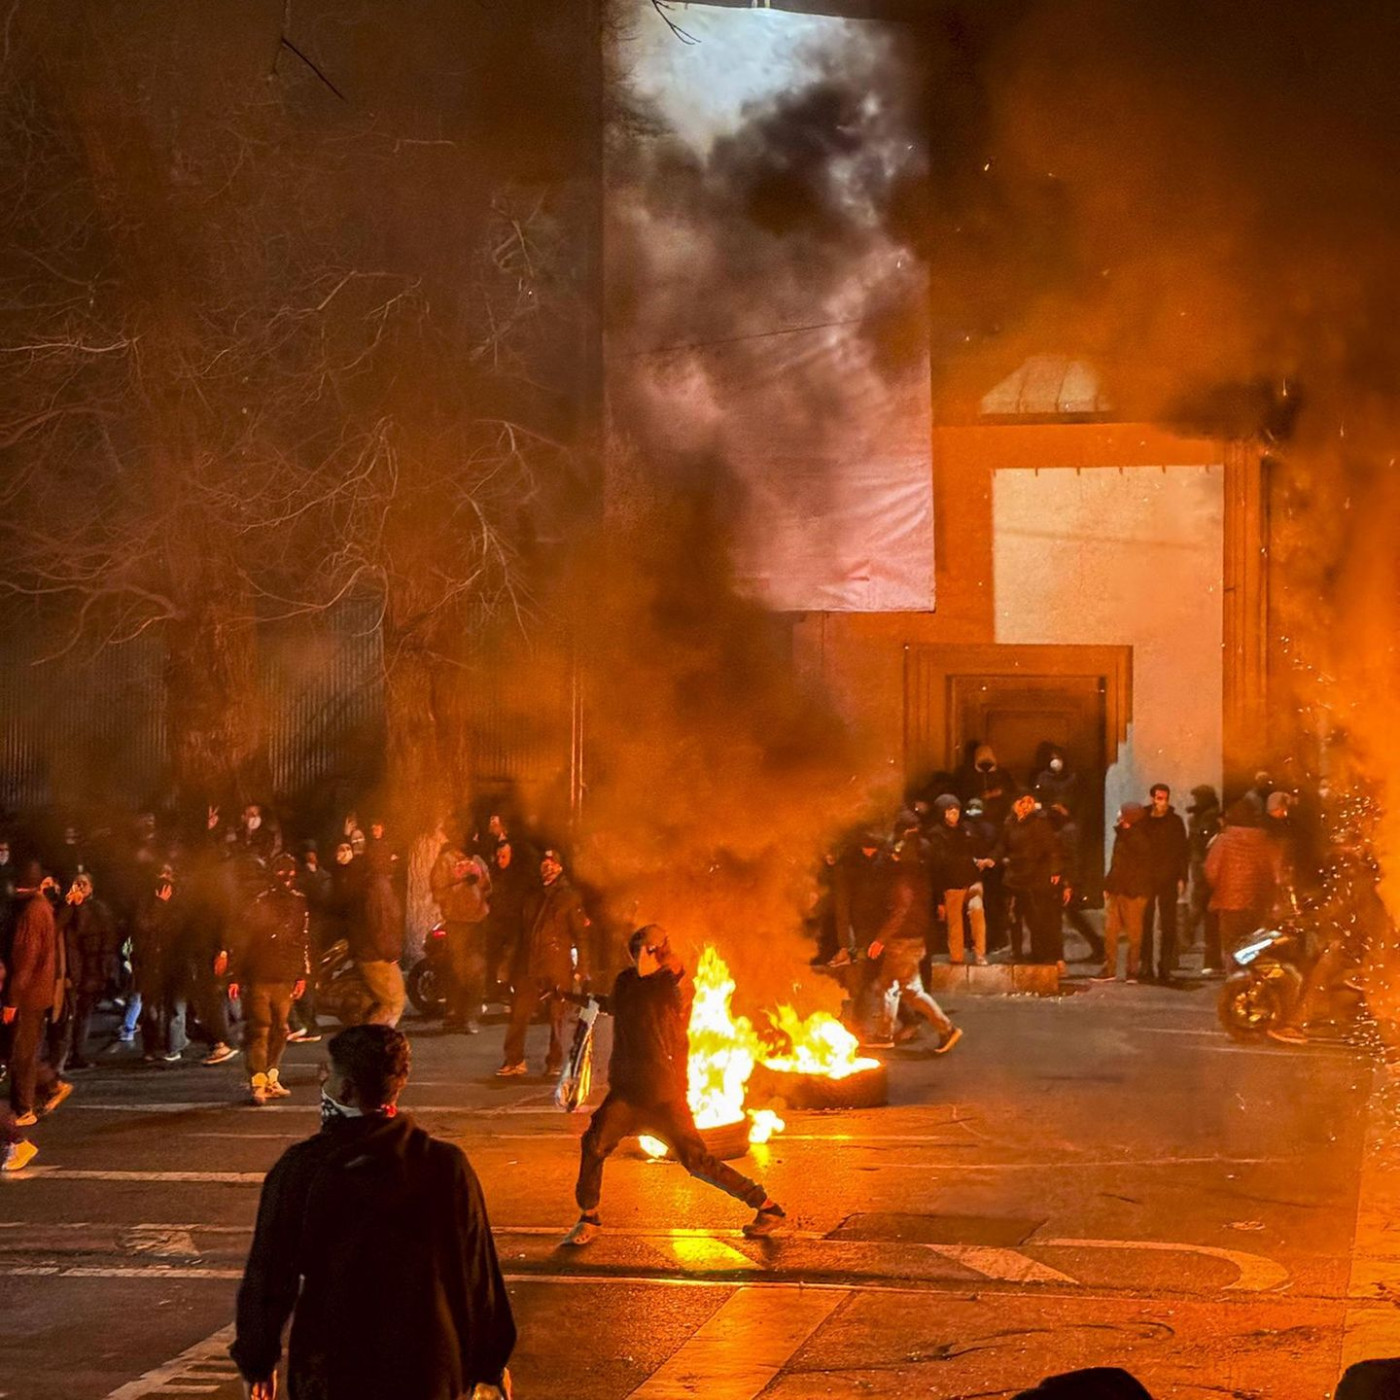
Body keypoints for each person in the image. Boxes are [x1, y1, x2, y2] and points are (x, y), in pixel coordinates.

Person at [231, 1024, 515, 1400]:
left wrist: (258, 1359)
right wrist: (489, 1364)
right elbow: (477, 1271)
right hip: (426, 1362)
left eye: (328, 1074)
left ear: (346, 1089)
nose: (324, 1083)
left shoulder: (304, 1169)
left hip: (333, 1364)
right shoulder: (446, 1166)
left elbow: (269, 1276)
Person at [562, 926, 784, 1248]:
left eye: (646, 948)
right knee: (594, 1143)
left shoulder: (668, 985)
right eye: (637, 948)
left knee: (698, 1162)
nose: (640, 954)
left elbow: (676, 986)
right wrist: (563, 994)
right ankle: (589, 1217)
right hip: (627, 1091)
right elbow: (610, 1003)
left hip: (663, 1094)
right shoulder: (626, 982)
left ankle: (767, 1207)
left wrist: (664, 956)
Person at [867, 836, 963, 1052]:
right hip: (913, 939)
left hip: (903, 941)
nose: (893, 857)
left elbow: (900, 912)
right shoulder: (919, 875)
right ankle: (884, 1034)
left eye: (896, 854)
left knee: (909, 990)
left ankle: (946, 1029)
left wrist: (880, 939)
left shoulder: (904, 880)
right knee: (890, 986)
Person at [229, 853, 310, 1106]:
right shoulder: (259, 902)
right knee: (260, 1030)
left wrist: (301, 975)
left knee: (280, 1029)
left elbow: (304, 940)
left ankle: (271, 1076)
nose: (286, 878)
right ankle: (258, 1082)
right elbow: (243, 940)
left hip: (284, 977)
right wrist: (237, 975)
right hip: (260, 976)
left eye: (290, 873)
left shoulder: (299, 903)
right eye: (281, 873)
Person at [498, 849, 588, 1078]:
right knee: (519, 1012)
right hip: (531, 964)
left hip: (557, 964)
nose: (547, 867)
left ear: (560, 867)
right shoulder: (533, 896)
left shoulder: (569, 897)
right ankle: (514, 1060)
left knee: (557, 1017)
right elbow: (520, 934)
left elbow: (581, 935)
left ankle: (555, 1062)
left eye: (552, 863)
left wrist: (582, 968)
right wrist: (508, 966)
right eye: (544, 863)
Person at [3, 865, 73, 1126]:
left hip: (28, 994)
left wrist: (12, 1000)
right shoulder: (40, 907)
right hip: (36, 991)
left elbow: (25, 959)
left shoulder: (29, 912)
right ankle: (50, 1085)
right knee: (23, 1050)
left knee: (21, 1053)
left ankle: (23, 1109)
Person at [52, 872, 119, 1072]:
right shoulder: (65, 907)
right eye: (77, 883)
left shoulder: (99, 909)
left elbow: (90, 932)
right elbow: (56, 929)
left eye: (84, 883)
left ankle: (77, 1053)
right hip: (72, 970)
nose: (80, 887)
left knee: (83, 1014)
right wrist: (70, 905)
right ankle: (62, 1059)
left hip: (91, 970)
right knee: (68, 1015)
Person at [430, 837, 492, 1034]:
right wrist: (460, 882)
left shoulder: (477, 860)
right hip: (456, 923)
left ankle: (470, 1017)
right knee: (456, 970)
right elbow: (438, 892)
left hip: (478, 922)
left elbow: (488, 887)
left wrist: (479, 878)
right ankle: (453, 1014)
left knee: (476, 971)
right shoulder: (445, 861)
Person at [1204, 800, 1279, 957]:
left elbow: (1212, 870)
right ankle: (1251, 975)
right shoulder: (1262, 840)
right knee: (1253, 943)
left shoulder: (1224, 840)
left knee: (1231, 943)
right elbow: (1272, 869)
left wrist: (1217, 888)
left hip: (1228, 900)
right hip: (1255, 901)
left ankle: (1234, 977)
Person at [350, 821, 406, 1027]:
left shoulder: (370, 882)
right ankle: (375, 1044)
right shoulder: (379, 888)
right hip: (376, 955)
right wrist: (391, 953)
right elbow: (380, 925)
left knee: (373, 1002)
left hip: (367, 951)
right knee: (394, 1001)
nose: (394, 859)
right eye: (390, 856)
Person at [927, 795, 992, 966]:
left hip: (971, 880)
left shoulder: (966, 829)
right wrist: (939, 898)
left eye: (956, 809)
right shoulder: (936, 834)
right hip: (952, 883)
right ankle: (957, 957)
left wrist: (979, 860)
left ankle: (980, 954)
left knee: (977, 913)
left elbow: (976, 848)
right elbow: (938, 864)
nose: (954, 813)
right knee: (955, 923)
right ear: (942, 812)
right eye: (949, 810)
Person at [1000, 792, 1063, 964]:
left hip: (1034, 876)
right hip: (1014, 876)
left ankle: (1039, 952)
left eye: (1029, 802)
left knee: (1035, 917)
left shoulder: (1040, 823)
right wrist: (1000, 858)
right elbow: (1003, 845)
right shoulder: (1010, 823)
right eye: (1022, 801)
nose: (1026, 805)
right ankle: (1016, 951)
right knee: (1014, 917)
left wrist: (1055, 870)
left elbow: (1051, 848)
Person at [1093, 803, 1153, 982]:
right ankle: (1109, 968)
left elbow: (1140, 863)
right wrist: (1108, 884)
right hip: (1117, 889)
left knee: (1134, 934)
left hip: (1133, 892)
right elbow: (1117, 864)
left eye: (1122, 814)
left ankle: (1132, 970)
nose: (1118, 816)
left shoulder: (1140, 837)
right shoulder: (1122, 835)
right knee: (1111, 931)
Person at [132, 877, 187, 1064]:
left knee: (173, 1008)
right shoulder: (146, 908)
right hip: (151, 965)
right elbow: (144, 926)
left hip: (171, 965)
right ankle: (151, 1047)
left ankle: (173, 1045)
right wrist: (159, 905)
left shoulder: (178, 910)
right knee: (151, 1010)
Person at [1139, 784, 1189, 982]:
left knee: (1168, 923)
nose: (1162, 802)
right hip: (1147, 877)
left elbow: (1182, 851)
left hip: (1168, 877)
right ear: (1152, 798)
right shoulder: (1143, 819)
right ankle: (1146, 964)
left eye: (1165, 798)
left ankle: (1165, 965)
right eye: (1159, 798)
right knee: (1145, 921)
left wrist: (1182, 877)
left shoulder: (1175, 821)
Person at [1185, 785, 1223, 971]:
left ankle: (1187, 938)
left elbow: (1203, 842)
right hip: (1201, 870)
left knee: (1206, 914)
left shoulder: (1211, 817)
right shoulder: (1200, 816)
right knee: (1206, 915)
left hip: (1207, 871)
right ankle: (1209, 957)